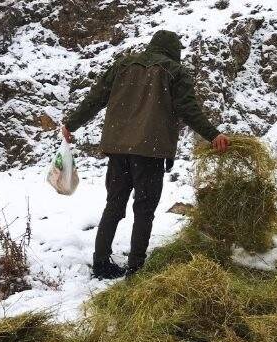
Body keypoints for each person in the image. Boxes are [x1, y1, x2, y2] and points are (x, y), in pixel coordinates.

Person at [62, 29, 231, 280]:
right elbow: (188, 109)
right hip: (149, 151)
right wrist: (213, 135)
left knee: (114, 205)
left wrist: (71, 124)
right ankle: (136, 267)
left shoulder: (123, 65)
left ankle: (100, 262)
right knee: (144, 209)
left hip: (119, 149)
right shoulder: (175, 71)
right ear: (174, 51)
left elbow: (96, 98)